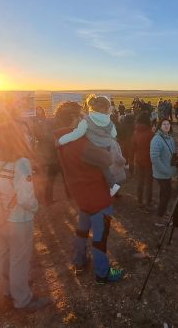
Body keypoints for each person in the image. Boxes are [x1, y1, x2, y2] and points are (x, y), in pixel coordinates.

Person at [0, 122, 49, 310]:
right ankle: (22, 299)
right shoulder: (21, 163)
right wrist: (35, 207)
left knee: (4, 255)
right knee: (19, 260)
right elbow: (25, 198)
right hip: (18, 219)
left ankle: (6, 290)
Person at [56, 114, 125, 285]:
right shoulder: (82, 144)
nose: (84, 119)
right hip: (98, 197)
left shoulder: (60, 140)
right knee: (100, 237)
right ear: (74, 121)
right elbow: (107, 159)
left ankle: (79, 262)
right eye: (80, 116)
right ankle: (103, 274)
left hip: (82, 195)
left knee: (82, 231)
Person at [57, 95, 124, 196]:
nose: (83, 116)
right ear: (74, 118)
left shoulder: (76, 134)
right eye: (81, 115)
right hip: (91, 196)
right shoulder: (81, 142)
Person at [35, 102, 82, 205]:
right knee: (62, 178)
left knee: (54, 179)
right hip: (57, 154)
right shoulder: (61, 122)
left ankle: (51, 199)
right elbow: (48, 137)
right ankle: (68, 197)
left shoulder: (54, 121)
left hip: (54, 155)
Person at [150, 118, 177, 225]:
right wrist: (166, 171)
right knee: (166, 194)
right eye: (164, 124)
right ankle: (159, 219)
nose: (166, 126)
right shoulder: (156, 139)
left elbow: (173, 154)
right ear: (160, 126)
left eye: (168, 124)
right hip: (162, 173)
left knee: (165, 194)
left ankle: (162, 212)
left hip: (169, 172)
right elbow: (154, 158)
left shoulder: (169, 137)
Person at [133, 112, 154, 211]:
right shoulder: (150, 133)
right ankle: (148, 203)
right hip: (148, 160)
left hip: (138, 159)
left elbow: (133, 147)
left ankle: (139, 202)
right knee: (148, 183)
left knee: (140, 182)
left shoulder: (135, 132)